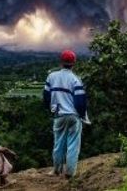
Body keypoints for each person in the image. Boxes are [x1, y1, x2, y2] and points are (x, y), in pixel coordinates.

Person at [43, 49, 88, 178]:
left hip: (59, 115)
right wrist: (82, 115)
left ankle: (56, 170)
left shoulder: (51, 77)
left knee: (58, 144)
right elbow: (80, 102)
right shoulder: (76, 79)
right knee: (73, 144)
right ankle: (70, 173)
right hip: (74, 116)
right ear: (74, 63)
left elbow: (46, 97)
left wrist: (52, 110)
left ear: (61, 62)